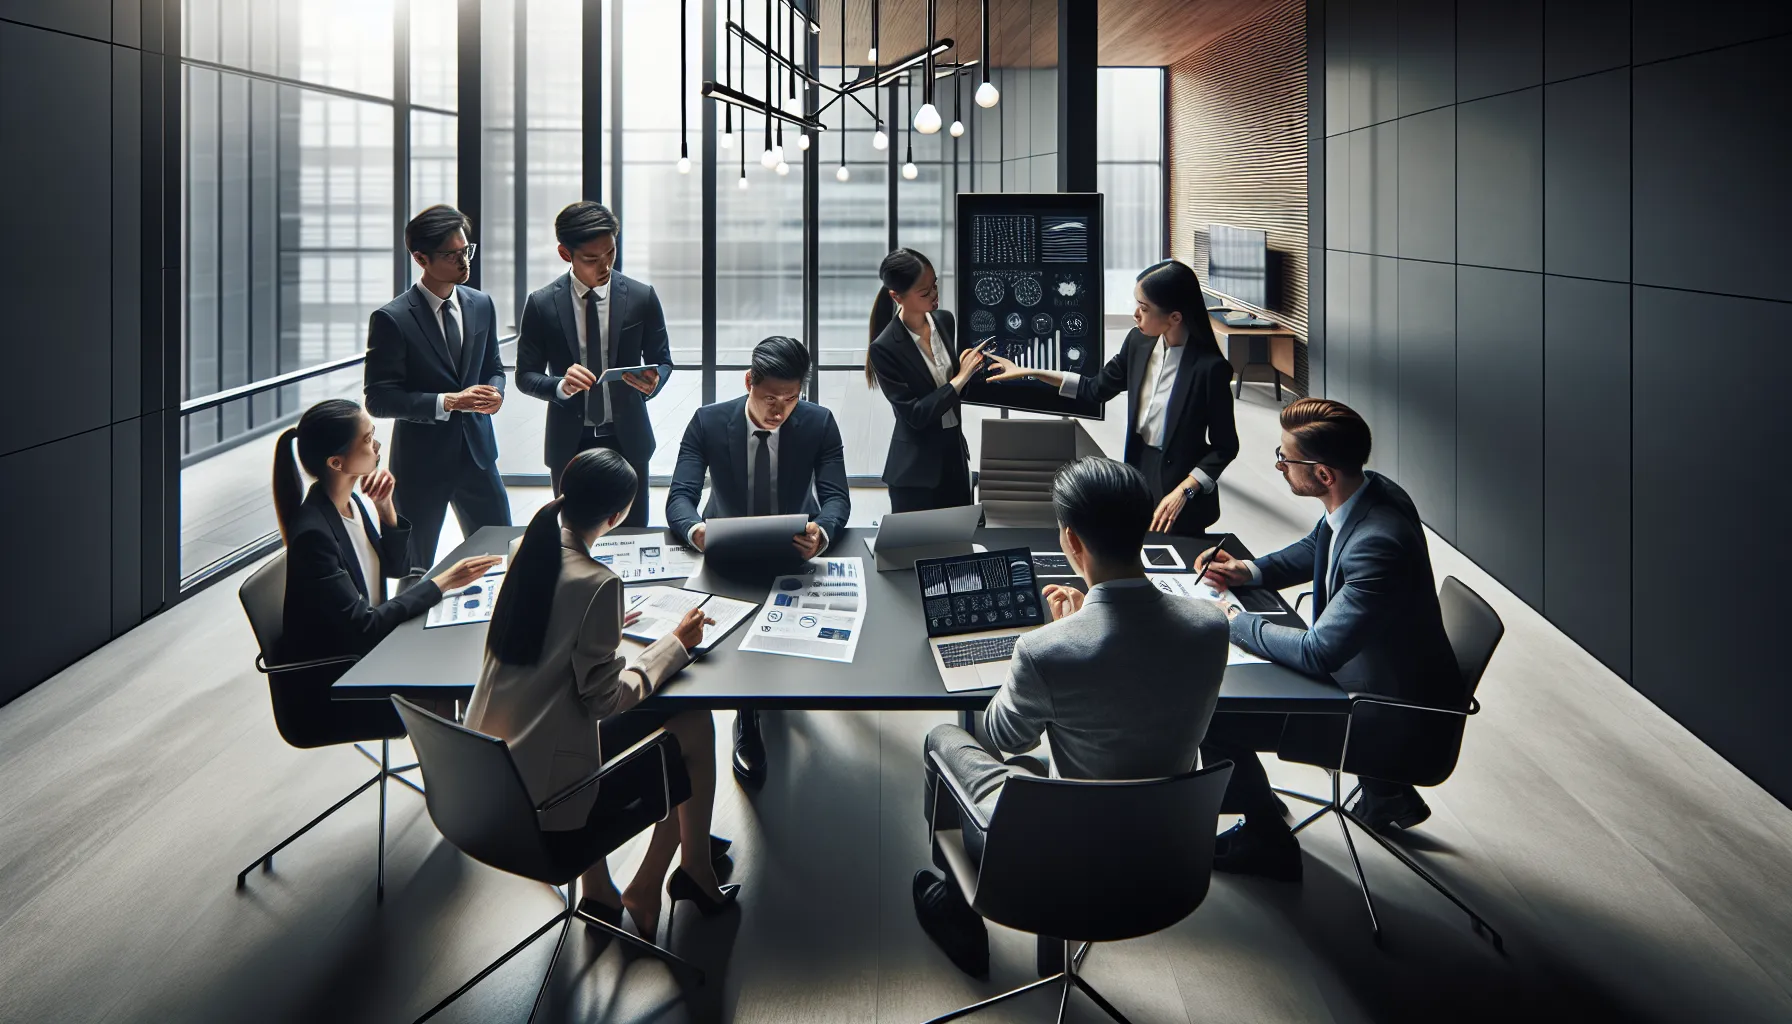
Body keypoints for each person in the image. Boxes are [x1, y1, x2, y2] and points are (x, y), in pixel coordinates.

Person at [911, 457, 1230, 978]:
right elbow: (1136, 678)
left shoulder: (1044, 650)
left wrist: (1044, 648)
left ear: (1071, 541)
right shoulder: (1210, 626)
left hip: (1063, 856)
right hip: (1168, 853)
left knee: (942, 736)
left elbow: (1000, 740)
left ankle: (956, 910)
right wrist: (1080, 628)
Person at [465, 448, 738, 937]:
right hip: (548, 799)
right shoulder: (597, 583)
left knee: (635, 726)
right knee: (694, 723)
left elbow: (546, 635)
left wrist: (605, 623)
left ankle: (602, 891)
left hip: (488, 772)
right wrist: (674, 644)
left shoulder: (529, 548)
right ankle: (670, 876)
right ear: (617, 516)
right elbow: (603, 701)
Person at [1197, 398, 1462, 882]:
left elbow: (1318, 653)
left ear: (1322, 475)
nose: (1278, 466)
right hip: (1395, 675)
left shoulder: (1378, 544)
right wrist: (1249, 570)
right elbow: (1320, 542)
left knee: (1213, 713)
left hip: (1381, 710)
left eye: (1285, 459)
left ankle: (1266, 842)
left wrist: (1231, 618)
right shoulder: (1372, 491)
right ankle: (1386, 792)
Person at [665, 336, 851, 788]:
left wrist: (821, 532)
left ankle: (774, 697)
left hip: (793, 549)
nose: (779, 410)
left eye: (791, 399)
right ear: (748, 381)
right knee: (733, 638)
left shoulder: (819, 423)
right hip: (724, 548)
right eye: (770, 398)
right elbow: (680, 498)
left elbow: (836, 497)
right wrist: (697, 532)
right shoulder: (708, 422)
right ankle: (747, 720)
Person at [272, 399, 501, 740]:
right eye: (367, 440)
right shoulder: (313, 535)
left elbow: (397, 566)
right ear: (337, 462)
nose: (377, 446)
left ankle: (464, 764)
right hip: (340, 681)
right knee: (465, 673)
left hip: (371, 649)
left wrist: (385, 509)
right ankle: (460, 770)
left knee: (470, 652)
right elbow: (364, 626)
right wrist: (442, 582)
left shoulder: (349, 504)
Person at [983, 259, 1239, 535]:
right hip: (1139, 474)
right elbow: (1096, 389)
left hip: (1181, 492)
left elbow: (1225, 446)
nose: (1135, 315)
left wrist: (1186, 490)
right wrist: (1029, 372)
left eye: (1144, 308)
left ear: (1175, 317)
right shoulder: (1138, 342)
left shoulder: (1210, 368)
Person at [364, 204, 512, 568]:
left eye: (467, 251)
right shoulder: (392, 319)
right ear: (421, 258)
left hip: (479, 455)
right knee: (414, 567)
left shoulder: (480, 304)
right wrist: (447, 402)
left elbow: (493, 367)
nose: (464, 262)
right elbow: (379, 400)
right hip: (421, 465)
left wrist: (495, 393)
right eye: (453, 255)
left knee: (501, 555)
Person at [516, 201, 673, 522]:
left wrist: (654, 381)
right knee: (573, 536)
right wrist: (559, 385)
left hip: (628, 436)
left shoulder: (642, 297)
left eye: (611, 254)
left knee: (633, 535)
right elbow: (525, 375)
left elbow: (663, 360)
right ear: (565, 254)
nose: (605, 266)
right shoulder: (542, 304)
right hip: (569, 441)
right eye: (591, 259)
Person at [865, 248, 992, 513]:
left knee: (958, 548)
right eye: (925, 292)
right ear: (896, 297)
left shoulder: (945, 321)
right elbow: (916, 414)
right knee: (914, 552)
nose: (935, 295)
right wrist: (959, 378)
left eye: (934, 286)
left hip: (955, 460)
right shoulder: (884, 347)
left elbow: (957, 393)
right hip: (915, 473)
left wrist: (975, 368)